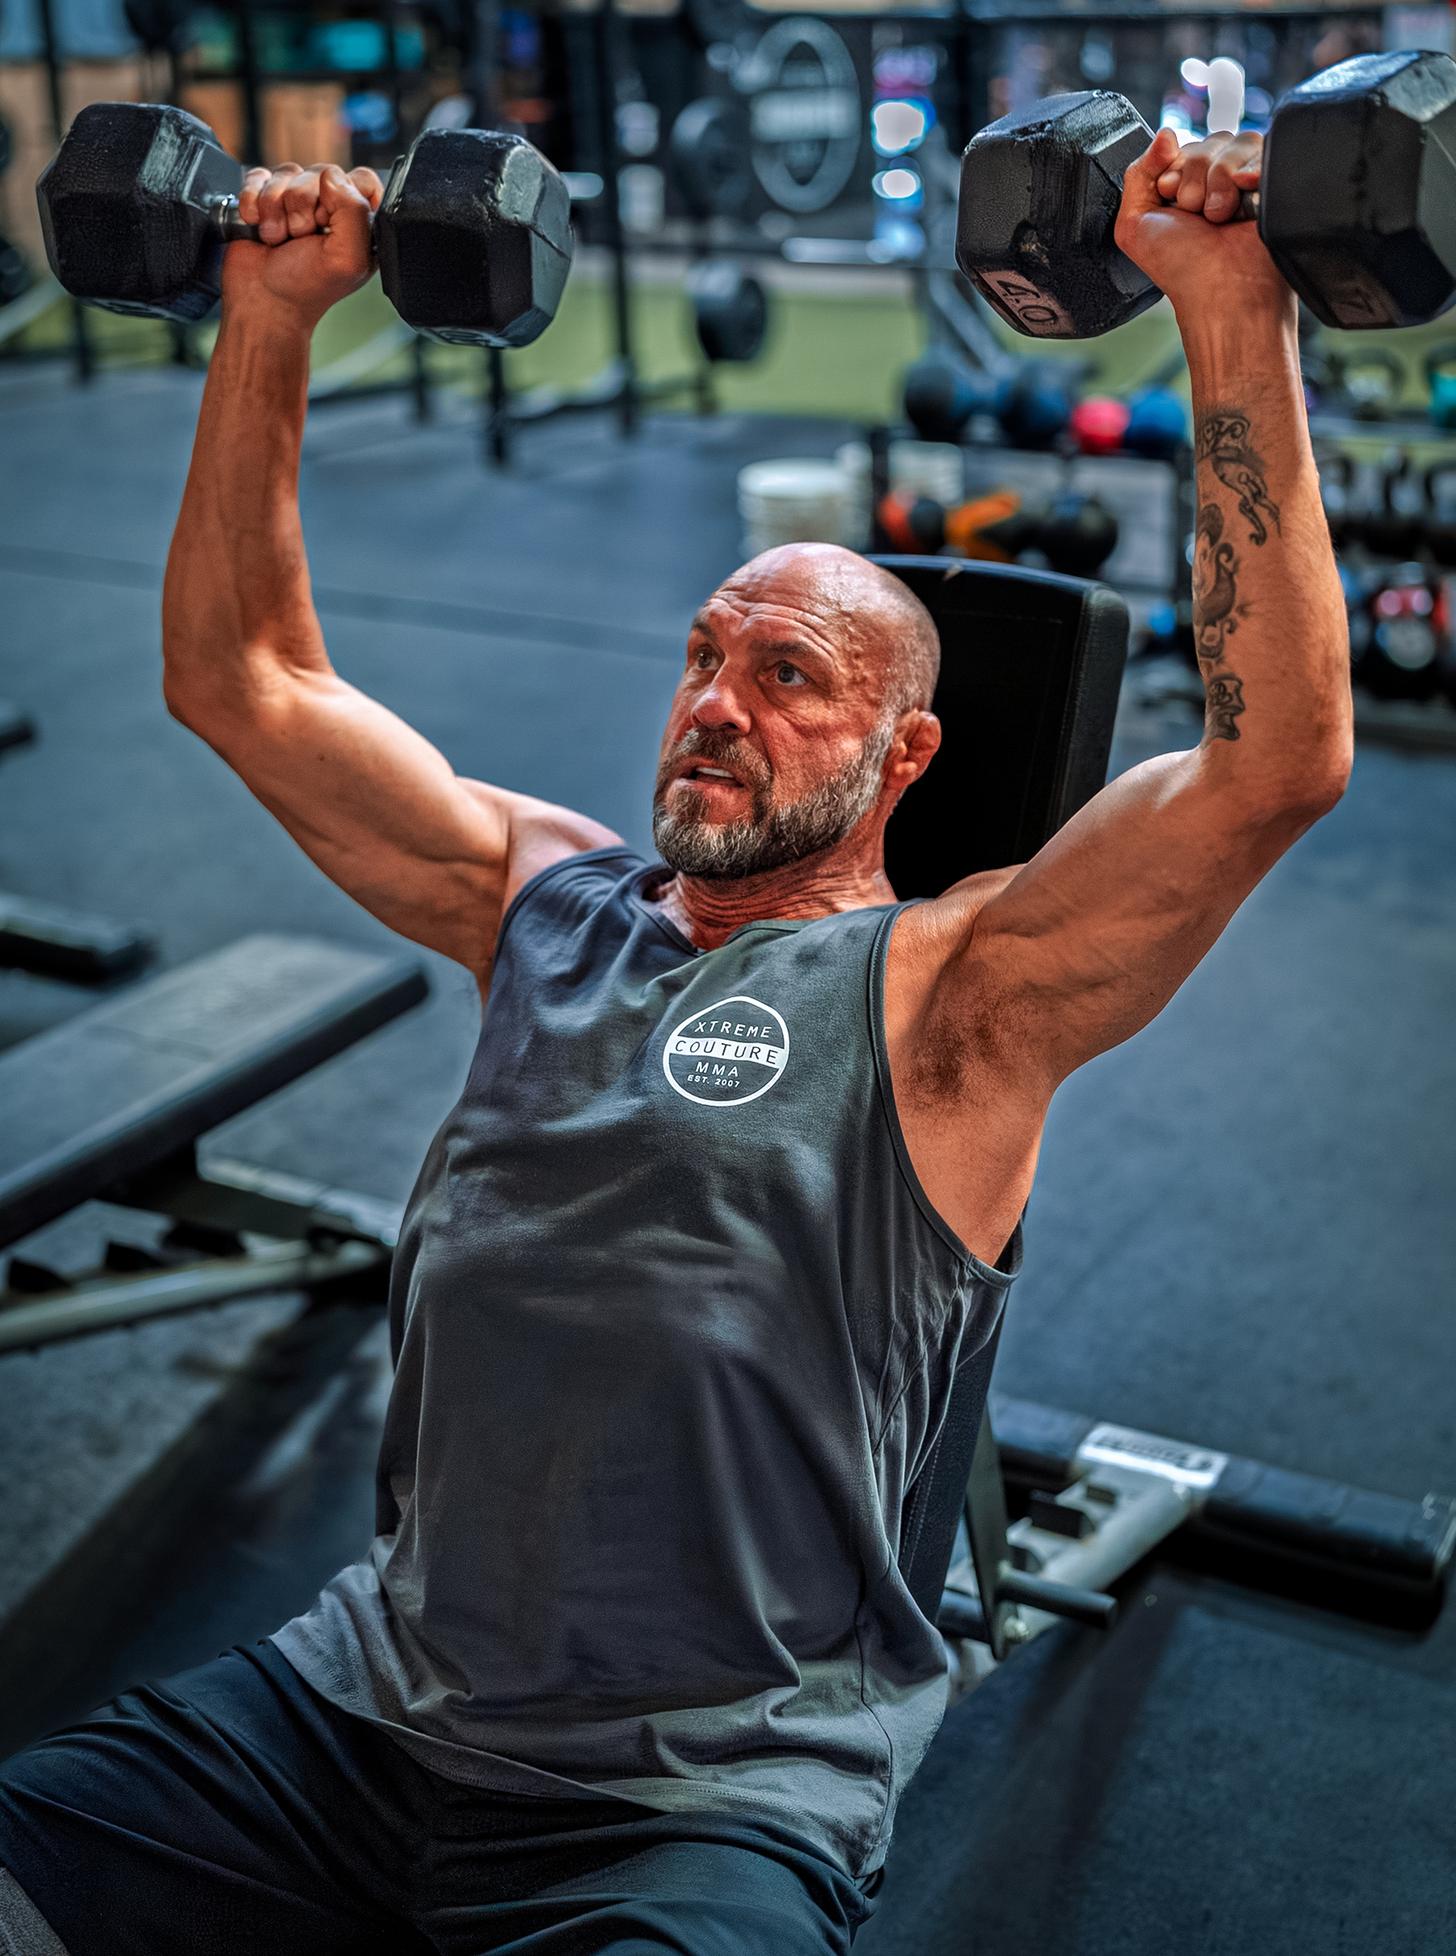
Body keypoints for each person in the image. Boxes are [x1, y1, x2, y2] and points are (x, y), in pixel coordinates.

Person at [0, 124, 1351, 1955]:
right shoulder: (541, 898)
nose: (717, 704)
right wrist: (270, 316)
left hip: (693, 1803)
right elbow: (242, 681)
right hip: (354, 1713)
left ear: (906, 757)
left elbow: (1273, 765)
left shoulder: (960, 992)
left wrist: (1232, 308)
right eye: (707, 656)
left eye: (788, 678)